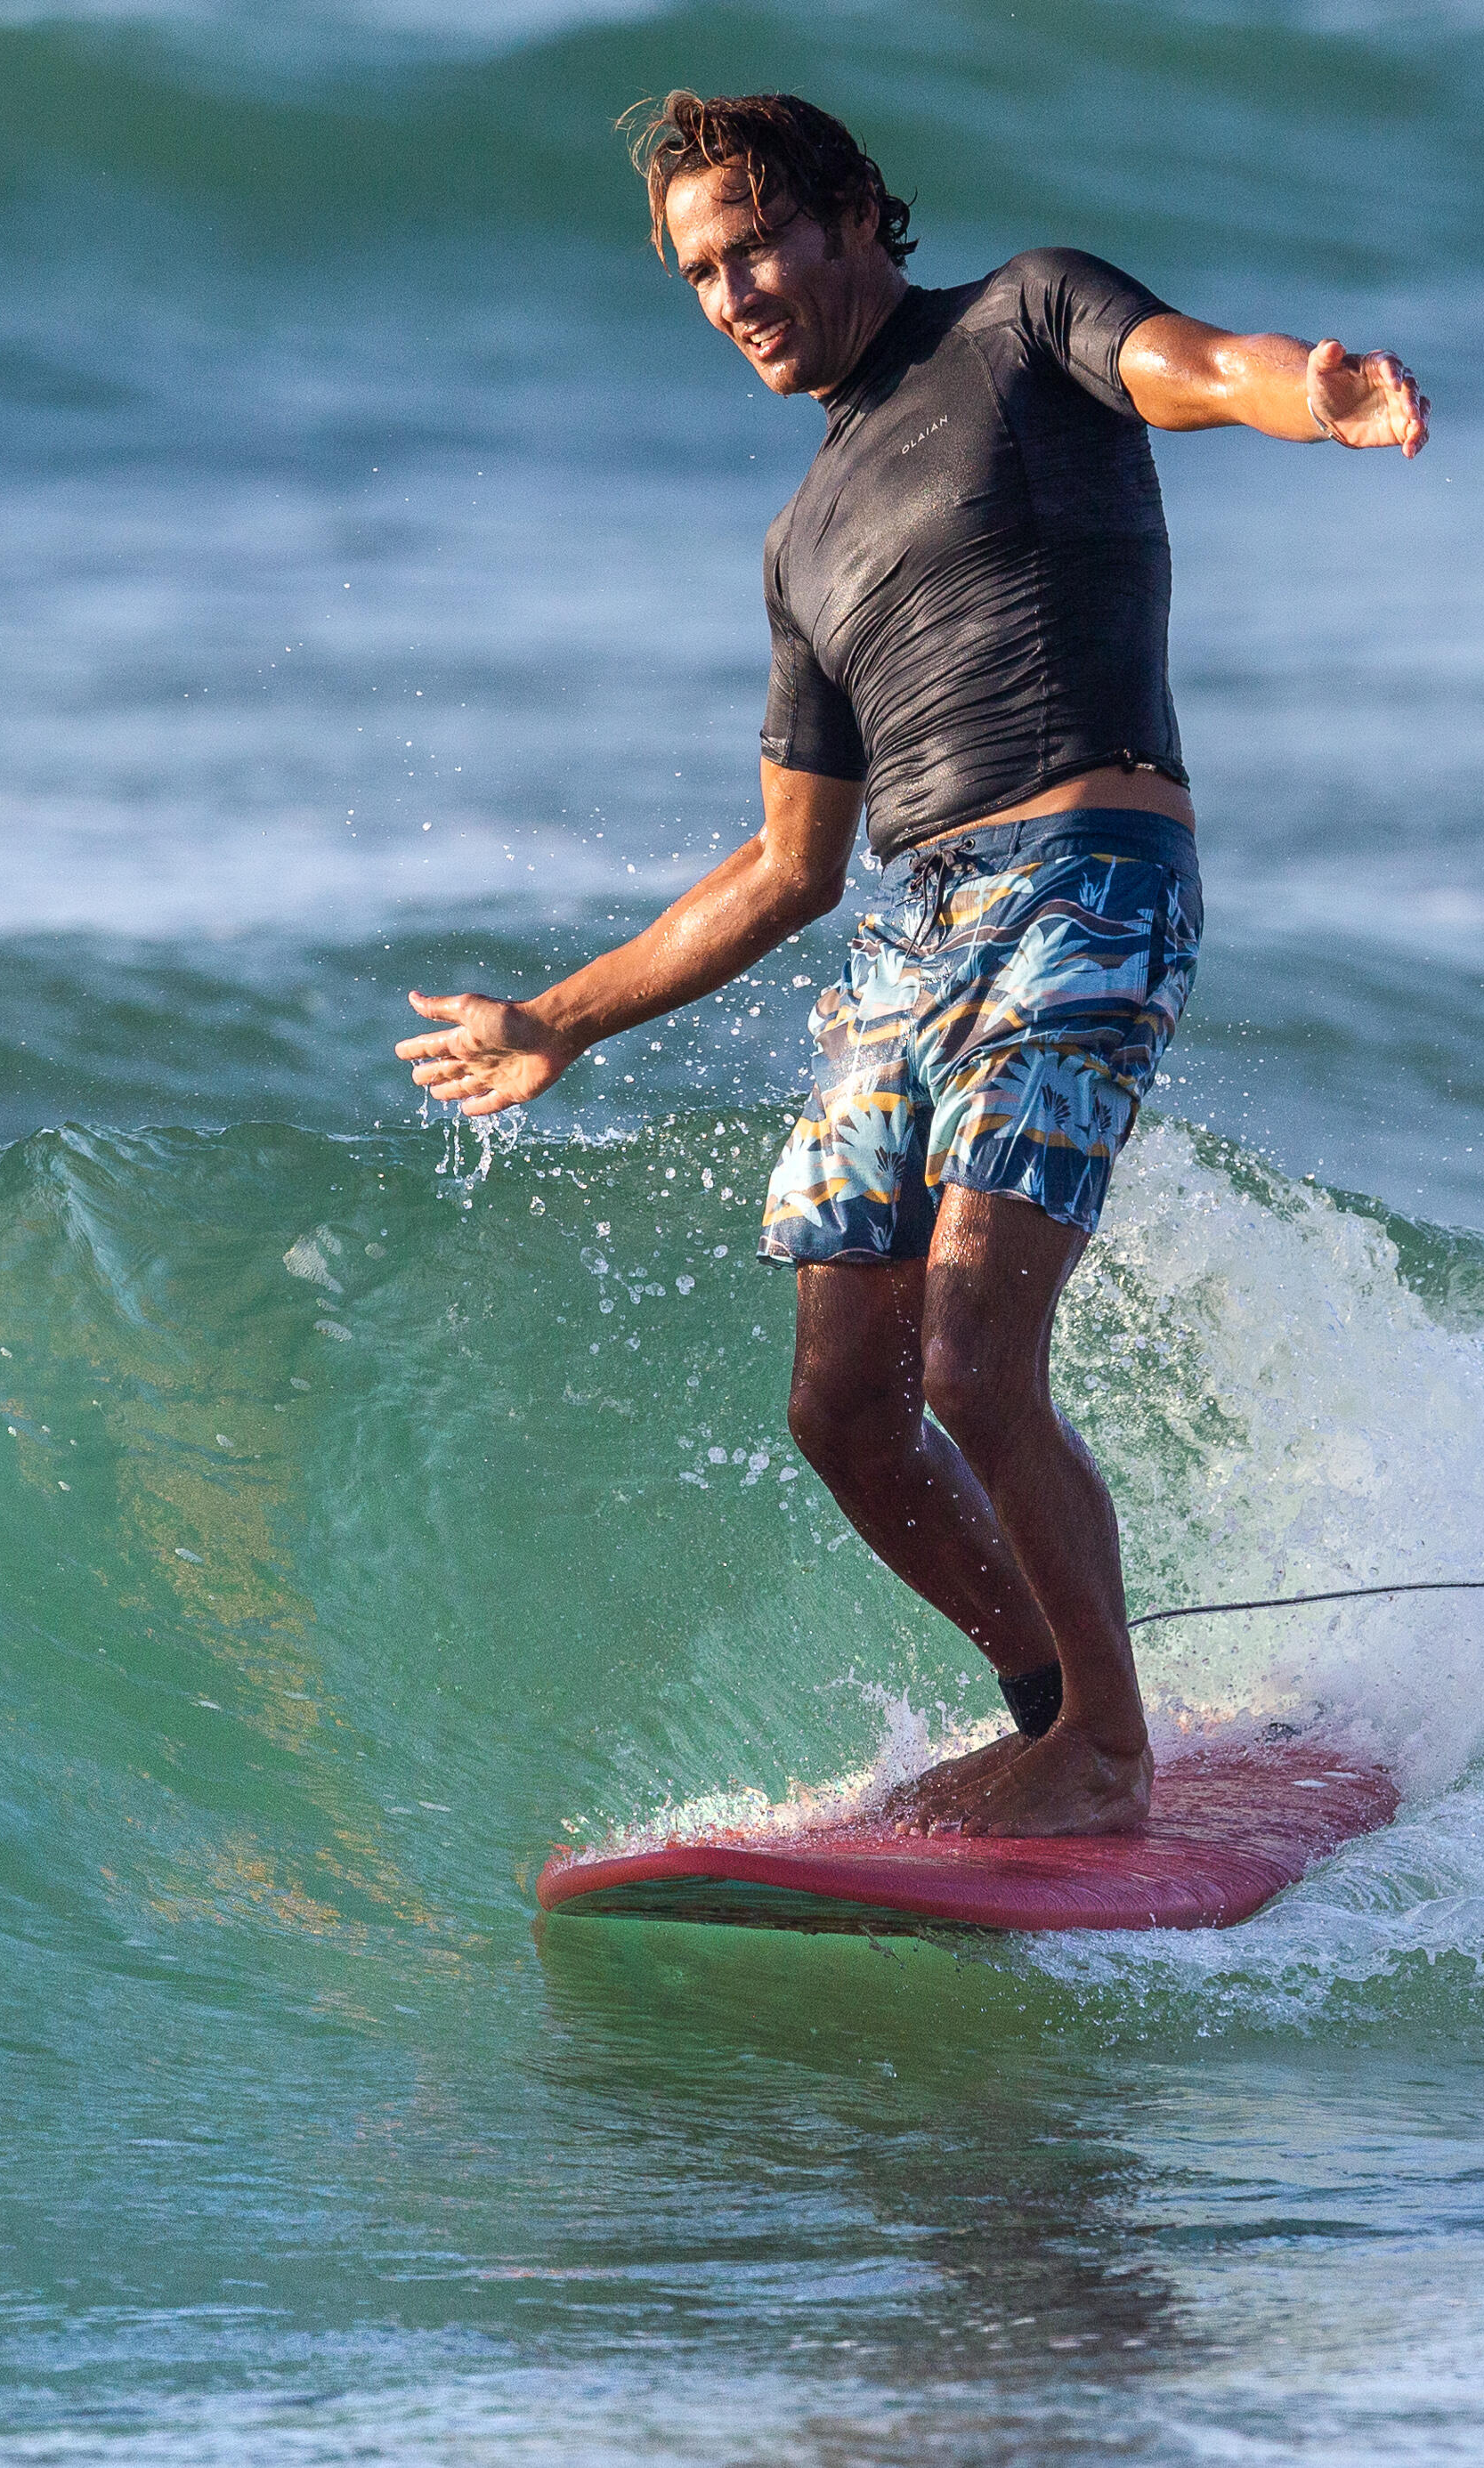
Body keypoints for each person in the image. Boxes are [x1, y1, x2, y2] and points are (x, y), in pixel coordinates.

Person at [398, 92, 1428, 1836]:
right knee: (843, 1406)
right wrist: (554, 1019)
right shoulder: (802, 540)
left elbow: (1190, 364)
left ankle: (1106, 1753)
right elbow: (793, 864)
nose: (733, 294)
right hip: (916, 928)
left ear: (860, 216)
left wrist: (1301, 398)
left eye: (759, 244)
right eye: (698, 272)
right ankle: (1054, 1705)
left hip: (1090, 872)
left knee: (970, 1355)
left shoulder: (1025, 320)